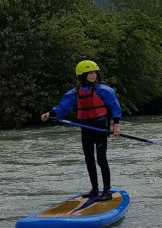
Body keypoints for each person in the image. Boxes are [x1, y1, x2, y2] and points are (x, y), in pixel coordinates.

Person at [40, 60, 122, 201]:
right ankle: (95, 189)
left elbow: (115, 107)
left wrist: (116, 125)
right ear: (82, 76)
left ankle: (107, 191)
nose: (93, 75)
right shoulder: (74, 93)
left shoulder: (104, 91)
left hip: (100, 127)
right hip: (85, 127)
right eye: (89, 73)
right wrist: (50, 113)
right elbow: (63, 107)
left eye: (94, 72)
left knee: (101, 158)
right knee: (89, 158)